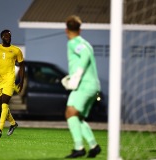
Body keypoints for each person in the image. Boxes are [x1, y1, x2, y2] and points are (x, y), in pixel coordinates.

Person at [61, 15, 101, 158]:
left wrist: (76, 77)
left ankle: (79, 148)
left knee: (70, 113)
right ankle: (94, 146)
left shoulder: (73, 43)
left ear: (66, 30)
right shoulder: (86, 43)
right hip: (93, 86)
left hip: (84, 85)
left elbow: (83, 55)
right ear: (80, 29)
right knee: (77, 117)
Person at [0, 29, 25, 138]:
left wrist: (21, 81)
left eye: (9, 36)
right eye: (6, 36)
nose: (8, 37)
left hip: (9, 79)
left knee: (4, 104)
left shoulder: (16, 50)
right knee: (1, 106)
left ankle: (0, 129)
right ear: (2, 37)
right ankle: (13, 124)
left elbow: (22, 66)